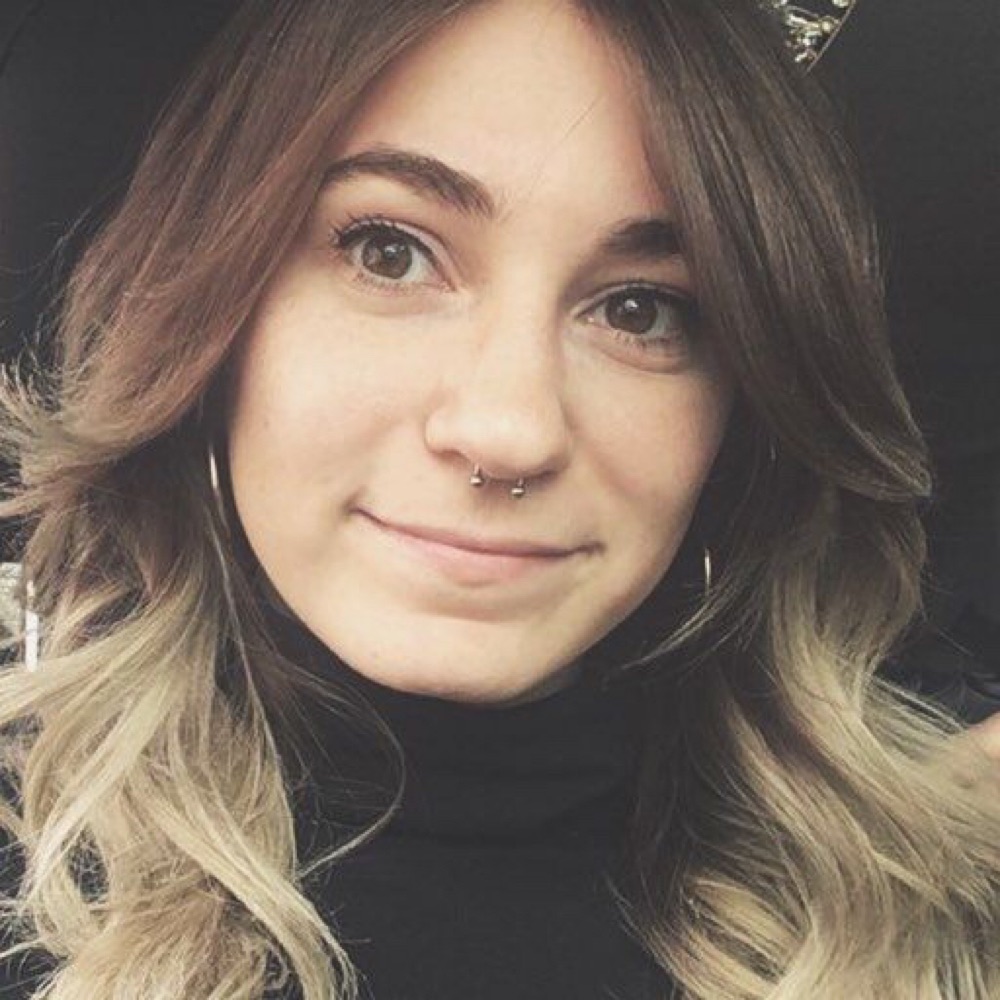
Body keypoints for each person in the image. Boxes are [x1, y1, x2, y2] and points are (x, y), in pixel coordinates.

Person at [0, 1, 998, 997]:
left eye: (641, 309)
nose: (510, 429)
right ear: (211, 314)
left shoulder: (918, 916)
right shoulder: (27, 878)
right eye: (389, 252)